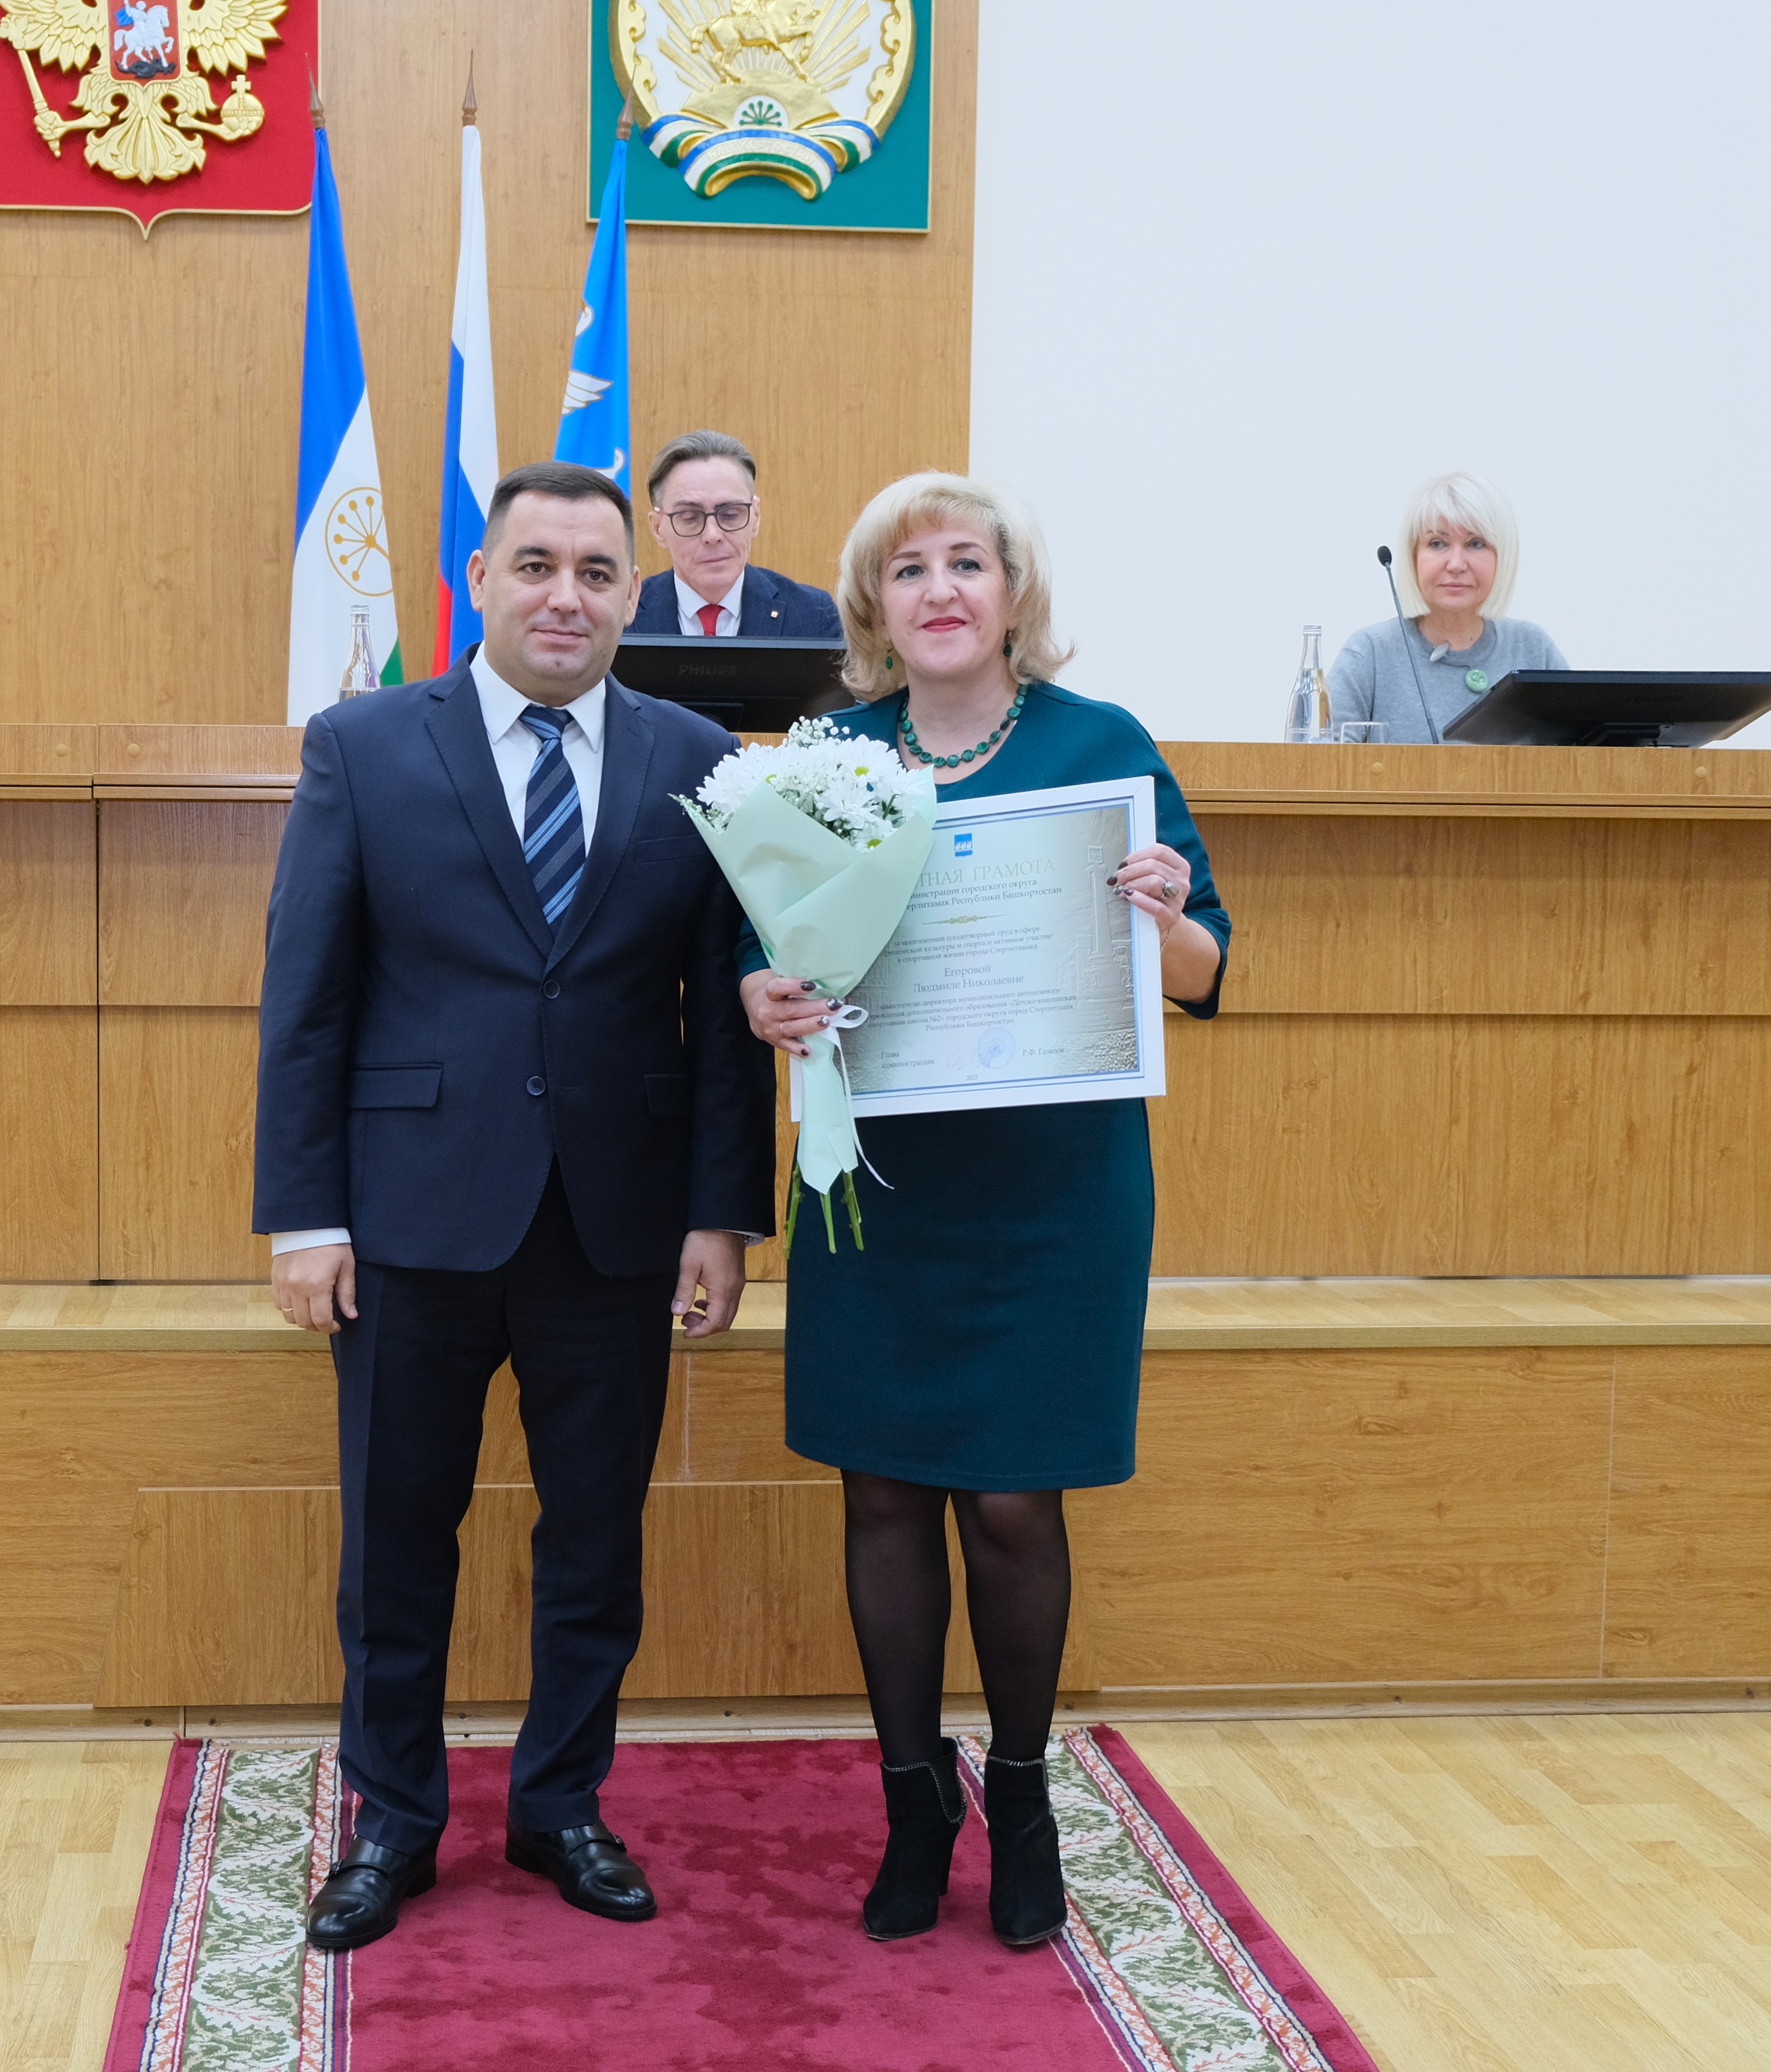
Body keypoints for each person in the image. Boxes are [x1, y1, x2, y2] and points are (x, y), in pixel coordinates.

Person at [257, 459, 776, 1953]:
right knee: (394, 1542)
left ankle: (560, 1804)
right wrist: (304, 1215)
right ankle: (393, 1819)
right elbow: (308, 994)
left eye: (596, 572)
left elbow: (721, 1009)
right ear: (478, 579)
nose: (565, 595)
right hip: (406, 1219)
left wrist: (720, 1211)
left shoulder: (698, 756)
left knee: (595, 1539)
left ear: (633, 591)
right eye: (535, 565)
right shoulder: (363, 743)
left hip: (616, 1224)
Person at [740, 473, 1231, 1949]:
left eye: (967, 561)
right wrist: (767, 996)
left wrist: (1164, 917)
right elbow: (764, 953)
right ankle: (913, 1803)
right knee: (883, 1493)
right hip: (879, 1188)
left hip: (1052, 1194)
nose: (940, 589)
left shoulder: (1103, 745)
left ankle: (1019, 1797)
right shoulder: (826, 759)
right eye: (909, 570)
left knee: (1015, 1498)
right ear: (872, 607)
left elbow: (1207, 972)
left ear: (1013, 591)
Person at [1328, 471, 1567, 742]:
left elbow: (1583, 755)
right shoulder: (1370, 653)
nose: (1456, 565)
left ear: (1503, 557)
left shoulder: (1533, 649)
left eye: (1476, 544)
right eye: (1437, 544)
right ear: (1414, 557)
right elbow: (1320, 759)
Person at [628, 429, 844, 641]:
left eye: (730, 515)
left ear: (755, 517)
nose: (712, 535)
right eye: (690, 518)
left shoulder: (814, 616)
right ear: (658, 528)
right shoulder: (624, 617)